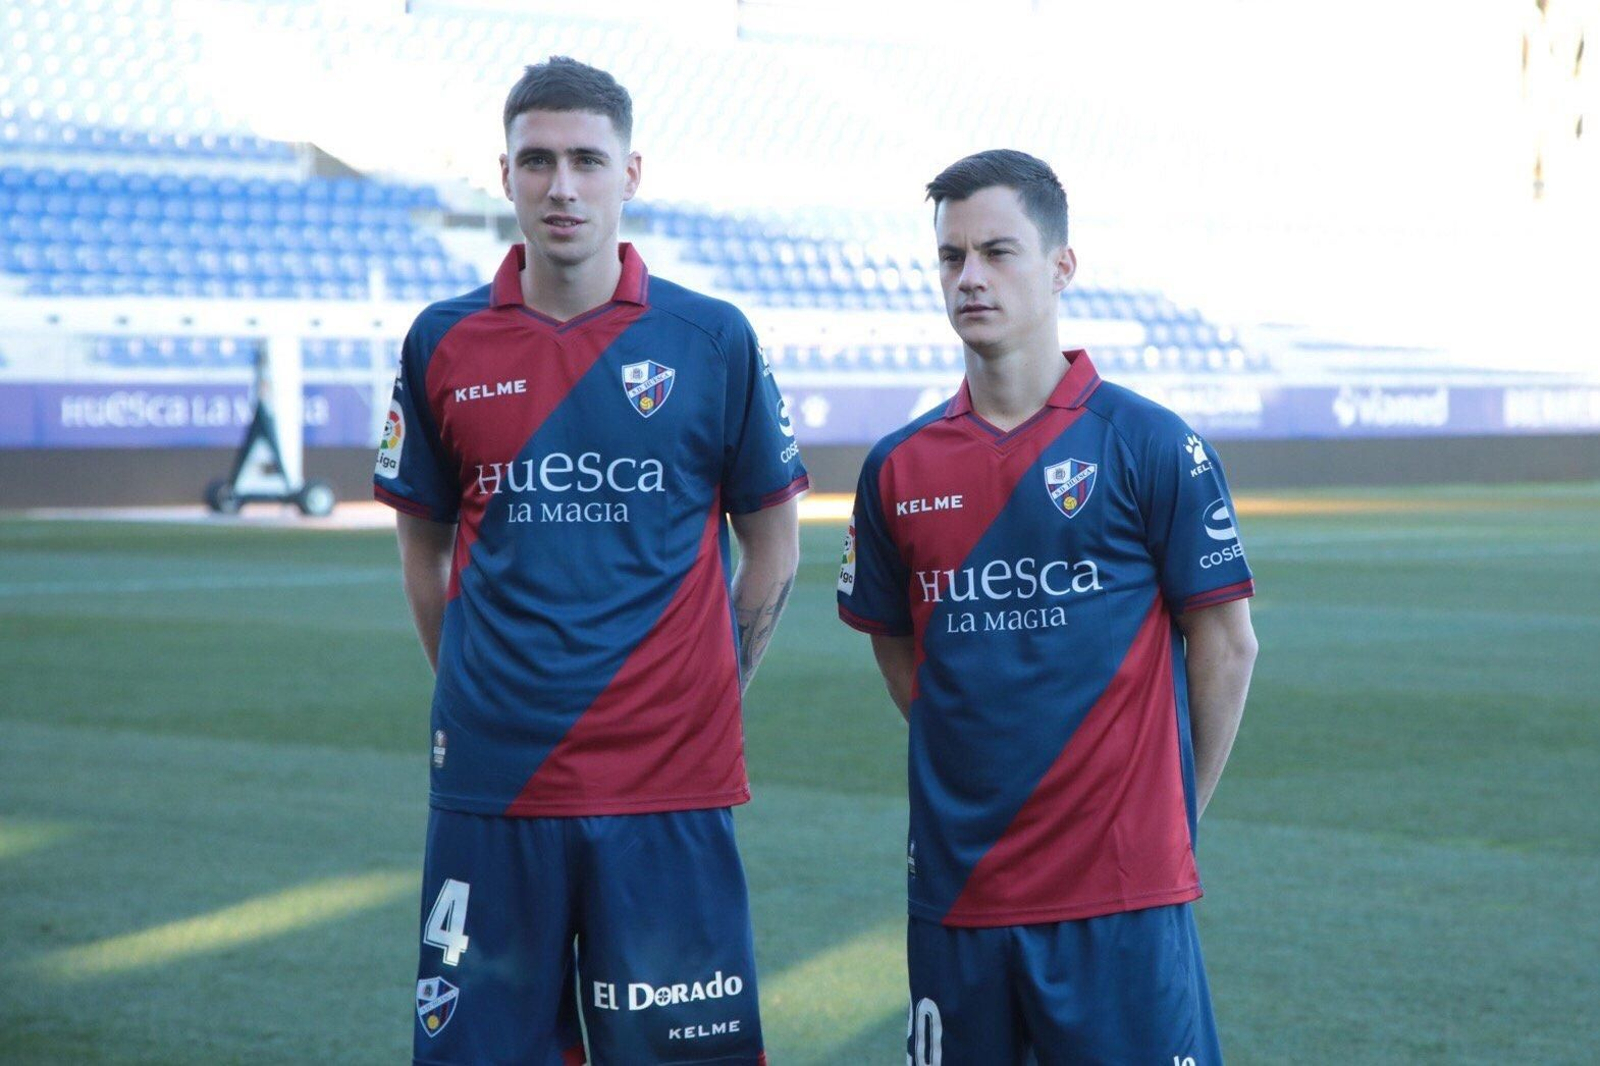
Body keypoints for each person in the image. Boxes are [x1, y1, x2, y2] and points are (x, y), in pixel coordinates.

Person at [375, 56, 807, 1065]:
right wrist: (486, 692)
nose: (561, 185)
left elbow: (774, 541)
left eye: (584, 159)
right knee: (481, 1050)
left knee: (679, 1053)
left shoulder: (710, 338)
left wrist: (709, 683)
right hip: (495, 774)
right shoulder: (441, 342)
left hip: (670, 777)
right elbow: (422, 554)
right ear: (505, 173)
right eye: (537, 161)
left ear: (631, 171)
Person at [837, 149, 1258, 1065]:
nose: (971, 277)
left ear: (1061, 266)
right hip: (959, 895)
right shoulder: (900, 467)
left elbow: (1225, 645)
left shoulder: (1147, 442)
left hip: (1121, 897)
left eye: (998, 251)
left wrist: (1173, 814)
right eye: (952, 258)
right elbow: (902, 653)